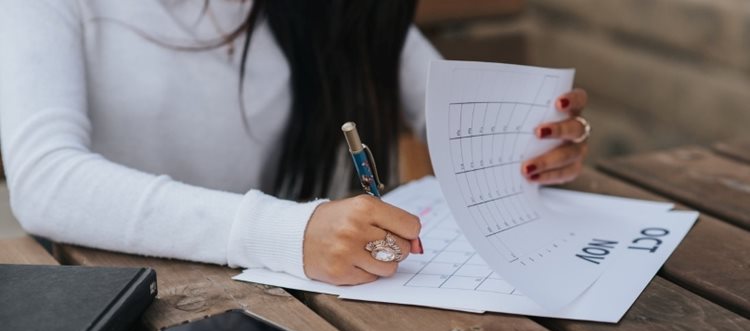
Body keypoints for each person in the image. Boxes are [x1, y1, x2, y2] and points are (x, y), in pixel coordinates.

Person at [0, 0, 590, 286]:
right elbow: (46, 180)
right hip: (125, 305)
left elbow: (449, 118)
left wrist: (530, 144)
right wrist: (289, 231)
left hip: (316, 304)